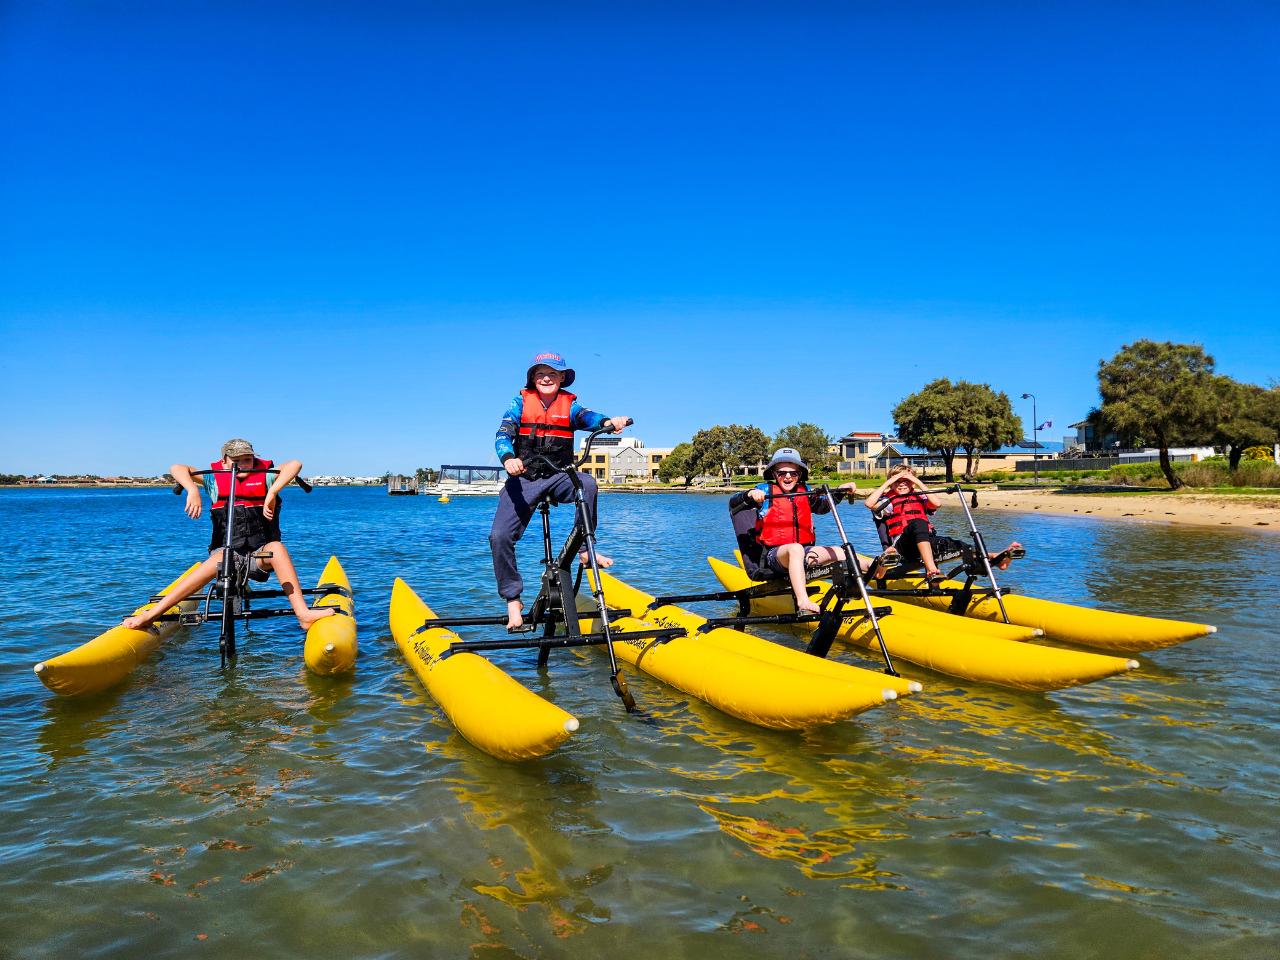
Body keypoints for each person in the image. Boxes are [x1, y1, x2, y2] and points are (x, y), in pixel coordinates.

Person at [122, 439, 335, 631]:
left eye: (248, 459)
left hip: (260, 555)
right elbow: (177, 467)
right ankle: (153, 614)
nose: (243, 464)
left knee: (278, 548)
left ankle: (303, 614)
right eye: (237, 460)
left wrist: (272, 492)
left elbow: (294, 464)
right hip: (225, 556)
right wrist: (192, 489)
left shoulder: (267, 477)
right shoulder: (214, 481)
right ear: (224, 461)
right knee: (220, 558)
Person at [490, 351, 629, 629]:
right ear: (533, 378)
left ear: (562, 378)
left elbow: (588, 417)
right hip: (525, 478)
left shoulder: (570, 406)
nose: (546, 378)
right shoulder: (519, 403)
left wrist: (607, 422)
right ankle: (513, 599)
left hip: (558, 476)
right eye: (540, 373)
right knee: (499, 535)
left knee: (587, 484)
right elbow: (503, 435)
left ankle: (584, 550)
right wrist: (509, 459)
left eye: (552, 373)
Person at [728, 448, 897, 614]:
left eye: (793, 473)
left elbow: (823, 506)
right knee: (795, 548)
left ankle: (875, 567)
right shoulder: (764, 491)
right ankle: (802, 600)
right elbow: (735, 502)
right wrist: (750, 494)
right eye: (782, 473)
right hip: (774, 556)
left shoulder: (806, 492)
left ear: (799, 475)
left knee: (839, 551)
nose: (788, 476)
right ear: (774, 474)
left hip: (804, 553)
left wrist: (840, 491)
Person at [863, 464, 1022, 587]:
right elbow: (869, 503)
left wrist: (917, 481)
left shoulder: (921, 497)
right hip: (903, 547)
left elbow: (937, 503)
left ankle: (997, 559)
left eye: (906, 481)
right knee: (918, 523)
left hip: (926, 541)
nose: (902, 484)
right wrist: (890, 481)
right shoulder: (888, 502)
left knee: (961, 546)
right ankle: (932, 571)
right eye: (898, 482)